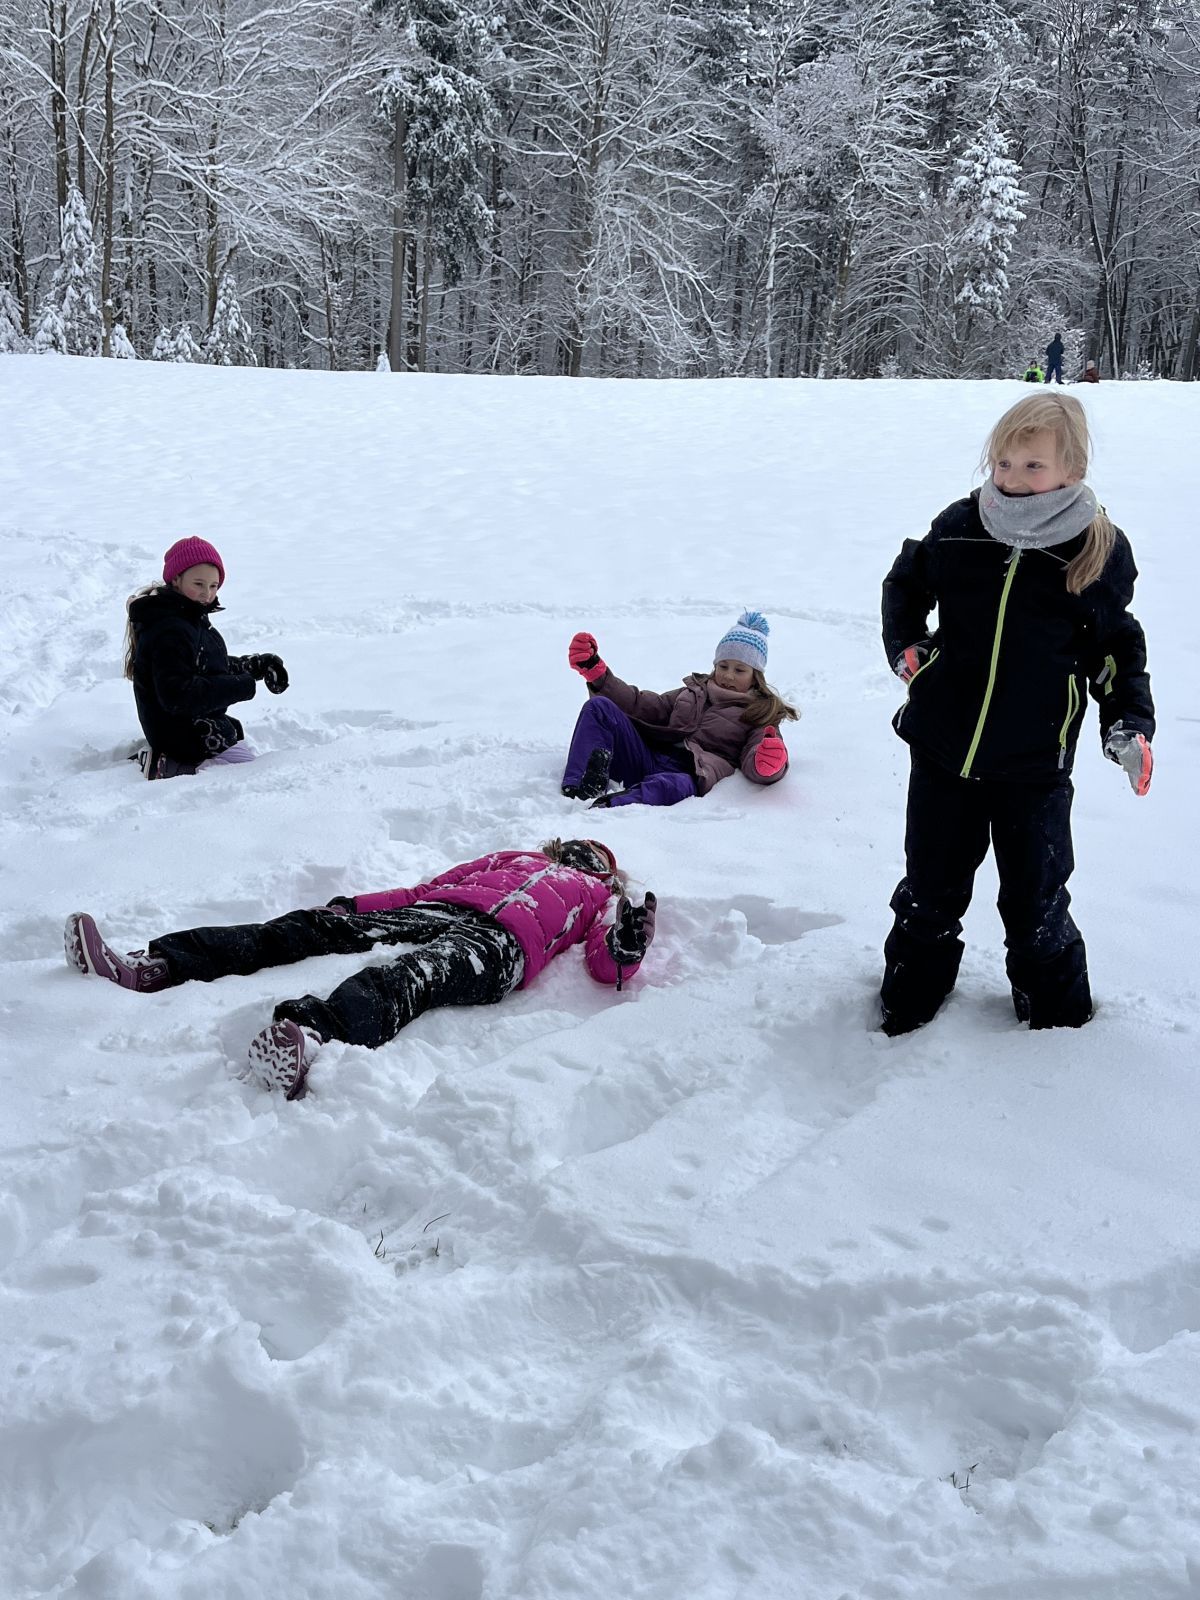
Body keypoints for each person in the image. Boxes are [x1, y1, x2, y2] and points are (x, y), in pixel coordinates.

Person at [879, 392, 1154, 1035]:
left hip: (1033, 765)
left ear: (1072, 470)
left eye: (1033, 466)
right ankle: (910, 997)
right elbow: (906, 583)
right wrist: (909, 647)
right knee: (930, 888)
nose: (1012, 478)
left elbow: (1116, 651)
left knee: (1036, 901)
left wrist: (1128, 724)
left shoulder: (1093, 550)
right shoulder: (962, 525)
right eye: (1003, 462)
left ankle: (1056, 1021)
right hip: (943, 749)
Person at [64, 839, 656, 1099]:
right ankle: (154, 965)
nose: (586, 855)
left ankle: (308, 1035)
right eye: (581, 846)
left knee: (409, 979)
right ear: (557, 846)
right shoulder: (511, 858)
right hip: (441, 909)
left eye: (598, 857)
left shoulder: (597, 897)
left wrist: (627, 947)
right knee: (305, 928)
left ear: (607, 873)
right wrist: (353, 907)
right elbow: (426, 889)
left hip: (500, 945)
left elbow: (602, 961)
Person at [561, 611, 797, 807]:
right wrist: (599, 676)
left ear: (755, 676)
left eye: (739, 670)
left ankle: (613, 804)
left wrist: (768, 762)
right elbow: (644, 706)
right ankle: (579, 786)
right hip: (649, 759)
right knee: (598, 707)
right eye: (723, 666)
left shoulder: (759, 712)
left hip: (689, 775)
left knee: (669, 786)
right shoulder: (694, 692)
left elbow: (756, 753)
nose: (728, 676)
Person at [124, 537, 289, 779]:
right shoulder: (170, 629)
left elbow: (205, 664)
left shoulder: (187, 615)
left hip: (190, 725)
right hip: (177, 733)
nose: (207, 593)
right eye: (199, 584)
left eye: (214, 586)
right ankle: (166, 764)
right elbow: (178, 695)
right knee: (249, 774)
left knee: (241, 758)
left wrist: (256, 666)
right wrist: (241, 686)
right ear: (176, 579)